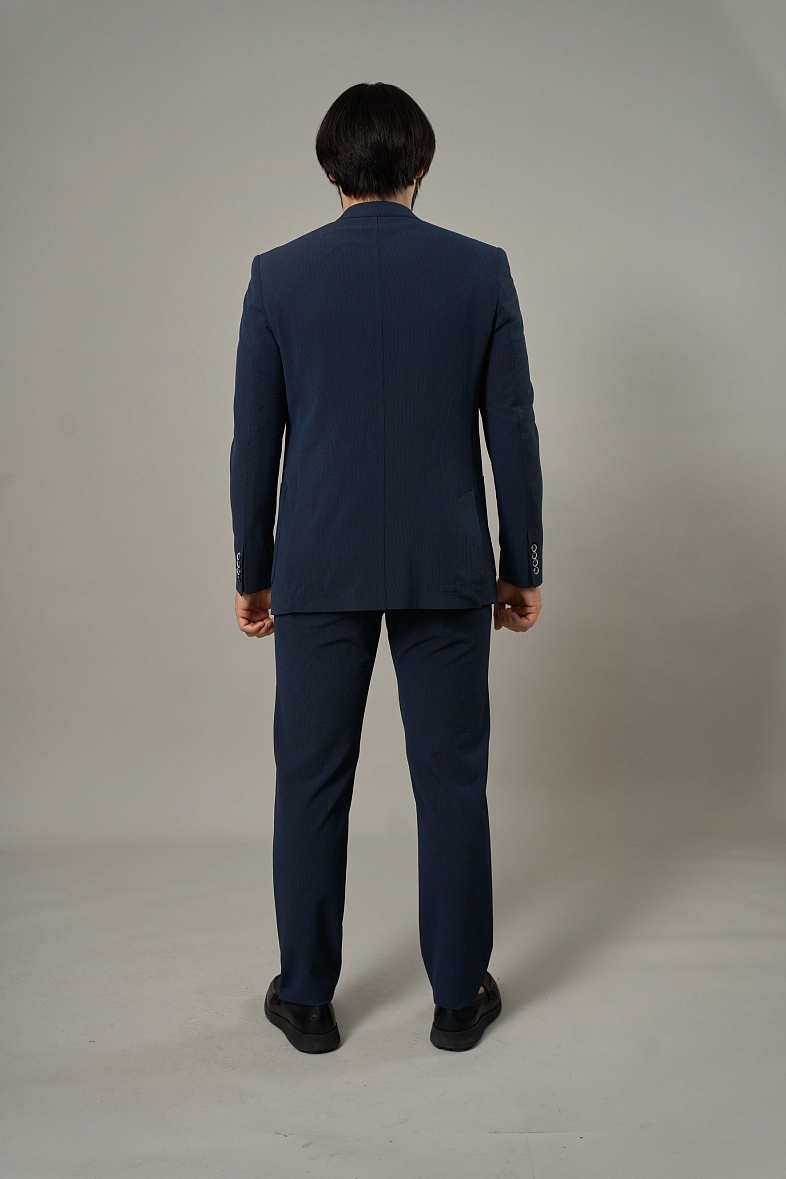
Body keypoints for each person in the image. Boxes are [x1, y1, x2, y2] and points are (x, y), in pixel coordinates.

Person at [229, 82, 543, 1053]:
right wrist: (521, 560)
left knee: (310, 783)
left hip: (316, 565)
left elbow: (255, 439)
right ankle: (456, 998)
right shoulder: (480, 270)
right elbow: (512, 429)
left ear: (331, 168)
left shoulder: (278, 277)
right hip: (445, 562)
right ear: (422, 164)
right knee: (451, 782)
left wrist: (253, 566)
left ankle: (306, 999)